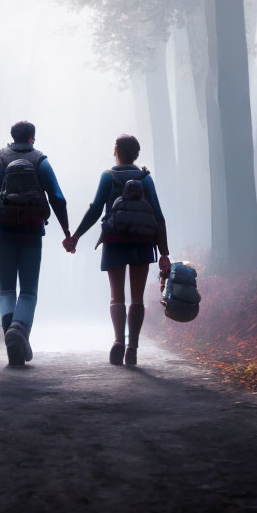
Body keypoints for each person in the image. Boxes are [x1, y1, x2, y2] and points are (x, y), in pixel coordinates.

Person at [62, 134, 170, 366]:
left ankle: (119, 341)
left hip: (114, 240)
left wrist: (76, 236)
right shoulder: (145, 179)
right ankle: (133, 347)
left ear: (116, 151)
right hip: (143, 242)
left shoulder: (108, 177)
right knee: (137, 298)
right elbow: (159, 217)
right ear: (136, 154)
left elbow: (94, 210)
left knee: (117, 297)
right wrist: (164, 253)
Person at [0, 121, 70, 366]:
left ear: (13, 138)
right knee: (28, 291)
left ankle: (12, 334)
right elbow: (58, 199)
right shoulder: (41, 162)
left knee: (6, 291)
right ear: (32, 138)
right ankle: (18, 332)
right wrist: (66, 231)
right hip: (31, 233)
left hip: (4, 234)